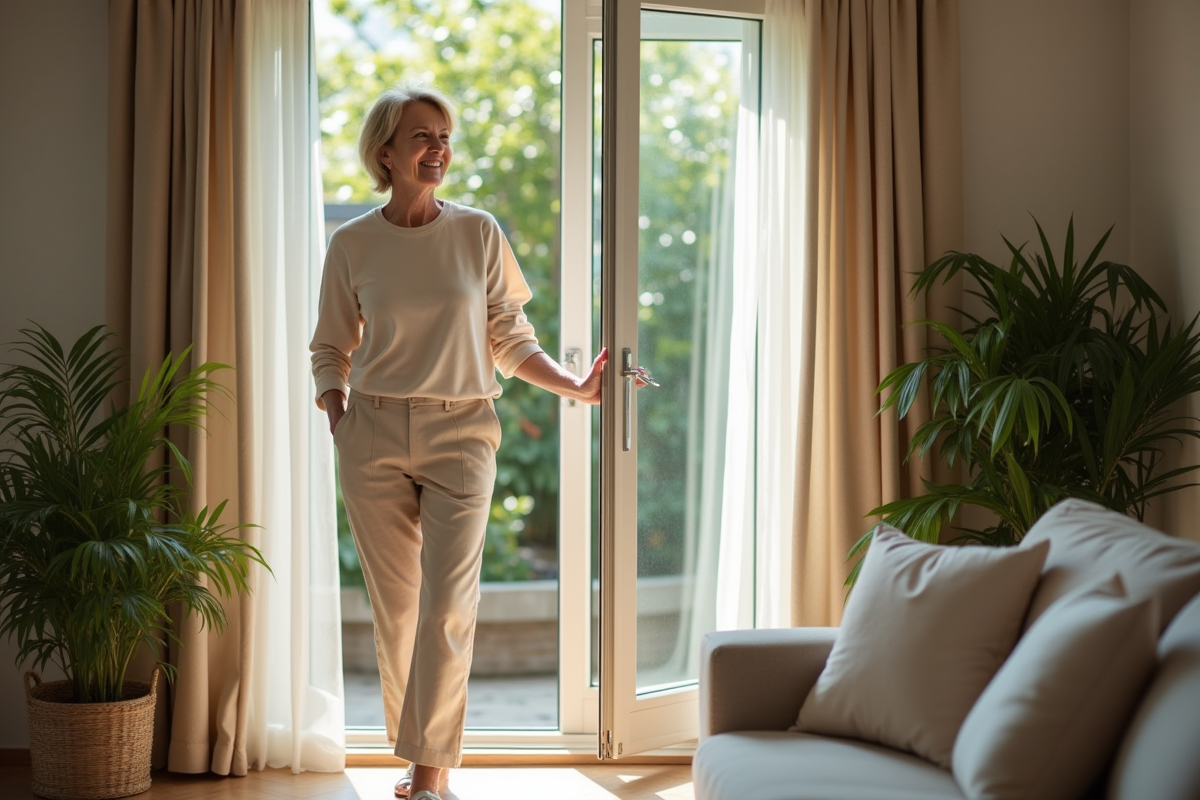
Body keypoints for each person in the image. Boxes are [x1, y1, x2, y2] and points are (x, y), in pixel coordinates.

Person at [309, 83, 607, 800]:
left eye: (444, 135)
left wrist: (574, 386)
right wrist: (340, 420)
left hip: (462, 431)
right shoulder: (352, 243)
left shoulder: (478, 232)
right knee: (399, 607)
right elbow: (329, 347)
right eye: (422, 135)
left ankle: (428, 772)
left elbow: (509, 336)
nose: (438, 147)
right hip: (373, 432)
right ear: (386, 151)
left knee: (447, 605)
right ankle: (421, 760)